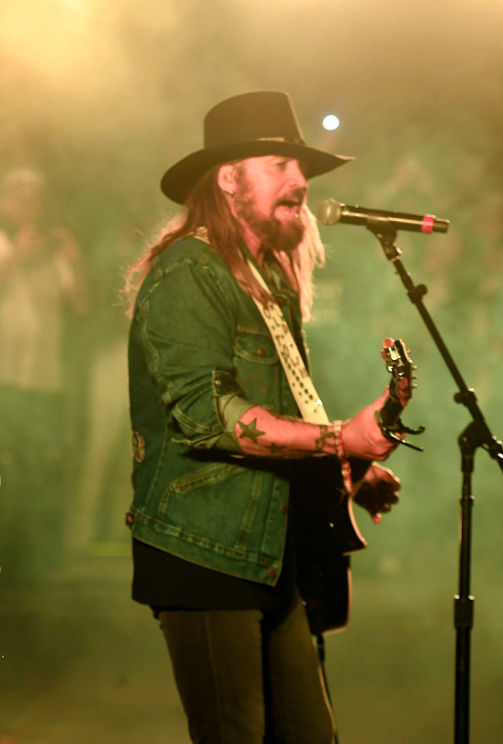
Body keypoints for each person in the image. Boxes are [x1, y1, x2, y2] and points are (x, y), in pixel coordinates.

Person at [125, 91, 403, 743]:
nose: (300, 181)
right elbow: (209, 415)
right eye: (280, 164)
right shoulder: (189, 270)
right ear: (229, 179)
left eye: (300, 167)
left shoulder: (264, 276)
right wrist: (340, 437)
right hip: (204, 548)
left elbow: (284, 403)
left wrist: (345, 465)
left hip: (269, 550)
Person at [0, 167, 86, 577]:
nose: (28, 204)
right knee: (0, 468)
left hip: (45, 380)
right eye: (20, 196)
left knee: (43, 466)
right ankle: (0, 553)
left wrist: (74, 261)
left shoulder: (54, 252)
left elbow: (82, 308)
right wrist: (16, 256)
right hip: (0, 379)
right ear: (5, 202)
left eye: (34, 198)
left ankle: (40, 560)